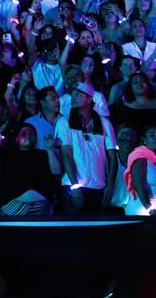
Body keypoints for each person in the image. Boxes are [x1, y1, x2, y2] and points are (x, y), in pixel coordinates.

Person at [56, 84, 116, 215]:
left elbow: (112, 154)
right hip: (72, 186)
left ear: (89, 99)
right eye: (72, 94)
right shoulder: (64, 122)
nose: (73, 97)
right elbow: (66, 154)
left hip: (99, 186)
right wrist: (75, 185)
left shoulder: (104, 123)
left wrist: (111, 184)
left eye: (78, 94)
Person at [0, 123, 61, 215]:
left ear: (36, 139)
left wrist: (49, 149)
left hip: (42, 207)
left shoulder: (44, 154)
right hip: (13, 207)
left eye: (31, 133)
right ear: (17, 139)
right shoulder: (9, 155)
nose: (28, 135)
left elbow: (57, 171)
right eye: (23, 133)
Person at [122, 126, 156, 216]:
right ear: (144, 140)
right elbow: (138, 185)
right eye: (152, 135)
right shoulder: (139, 157)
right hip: (144, 212)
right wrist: (150, 210)